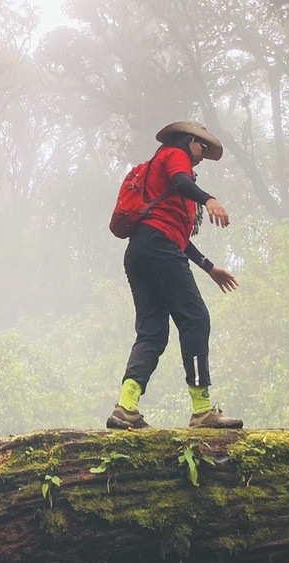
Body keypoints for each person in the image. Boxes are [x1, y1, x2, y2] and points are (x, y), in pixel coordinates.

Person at [106, 121, 244, 430]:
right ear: (190, 140)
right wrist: (209, 198)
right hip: (158, 247)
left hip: (141, 251)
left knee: (153, 331)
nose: (201, 156)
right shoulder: (174, 154)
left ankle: (126, 407)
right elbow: (182, 183)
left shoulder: (158, 173)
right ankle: (203, 410)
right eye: (201, 148)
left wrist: (209, 267)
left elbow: (177, 236)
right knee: (195, 318)